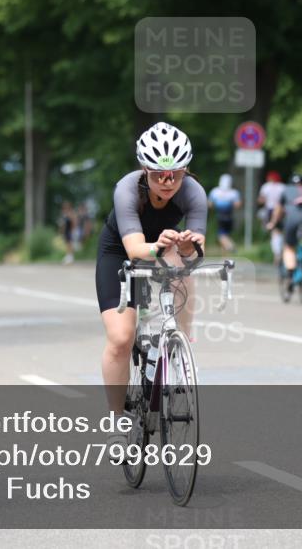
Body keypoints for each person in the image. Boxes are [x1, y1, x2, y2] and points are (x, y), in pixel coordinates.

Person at [95, 122, 206, 428]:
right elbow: (134, 249)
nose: (168, 181)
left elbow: (196, 251)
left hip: (165, 244)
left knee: (184, 271)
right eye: (158, 174)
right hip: (121, 251)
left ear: (186, 170)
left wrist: (187, 247)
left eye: (176, 174)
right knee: (120, 338)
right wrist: (159, 245)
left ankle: (177, 341)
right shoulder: (127, 188)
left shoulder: (194, 192)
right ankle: (117, 420)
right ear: (144, 168)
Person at [267, 174, 302, 295]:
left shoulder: (285, 190)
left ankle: (290, 275)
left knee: (289, 247)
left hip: (292, 219)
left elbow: (278, 209)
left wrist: (273, 223)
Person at [257, 170, 286, 267]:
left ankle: (277, 253)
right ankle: (280, 252)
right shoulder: (282, 187)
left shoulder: (266, 187)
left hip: (270, 210)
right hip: (281, 211)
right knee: (280, 232)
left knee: (273, 233)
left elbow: (261, 200)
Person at [208, 173, 242, 253]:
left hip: (220, 216)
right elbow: (238, 205)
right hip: (230, 216)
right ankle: (225, 253)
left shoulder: (215, 191)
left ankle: (231, 246)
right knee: (226, 234)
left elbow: (209, 204)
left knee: (221, 235)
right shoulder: (234, 193)